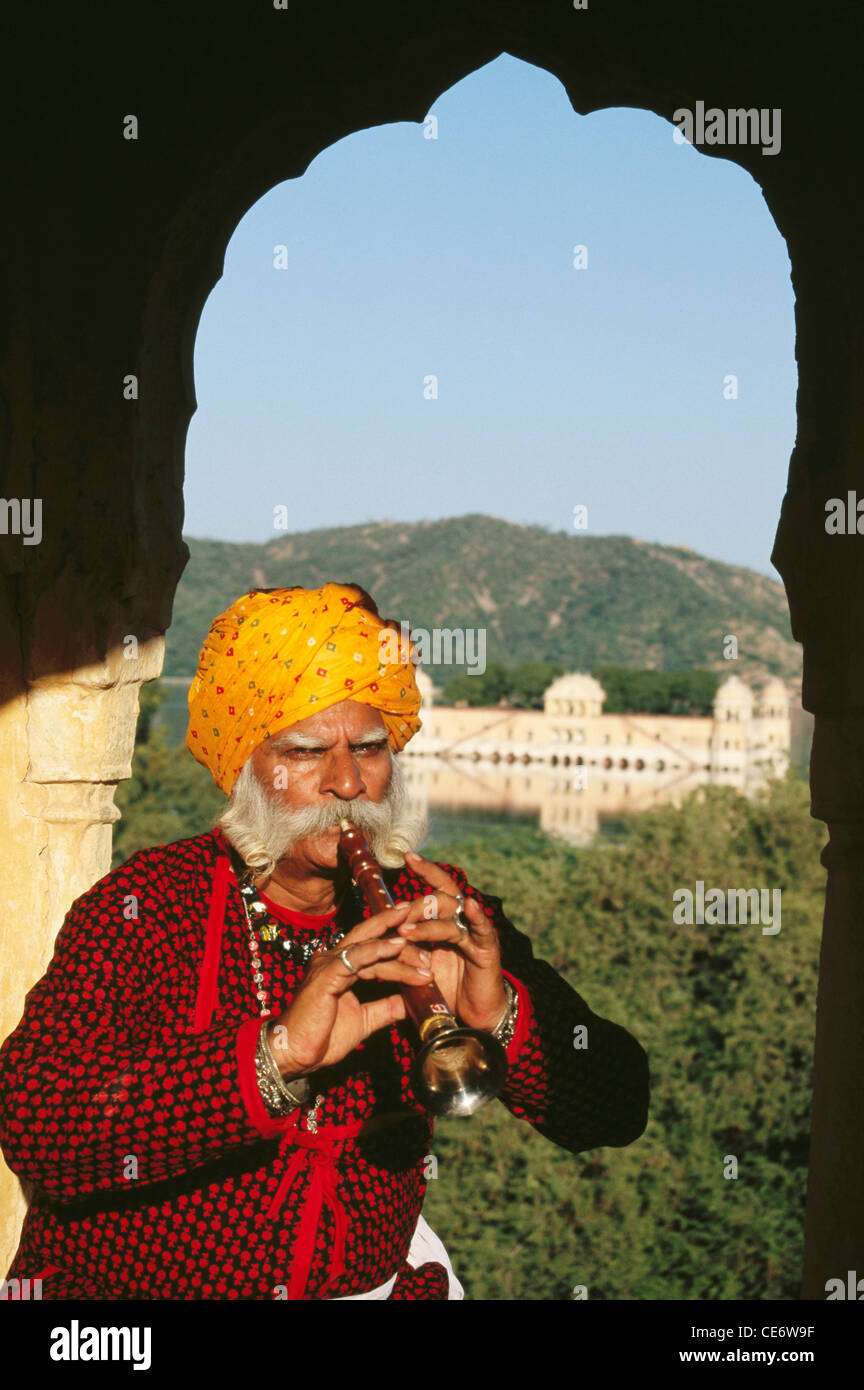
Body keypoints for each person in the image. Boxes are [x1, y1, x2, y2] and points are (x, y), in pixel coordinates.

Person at [0, 582, 649, 1300]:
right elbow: (37, 1124)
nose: (348, 782)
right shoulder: (148, 906)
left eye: (370, 748)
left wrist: (500, 1015)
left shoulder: (437, 907)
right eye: (307, 753)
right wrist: (271, 1058)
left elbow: (616, 1109)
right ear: (245, 766)